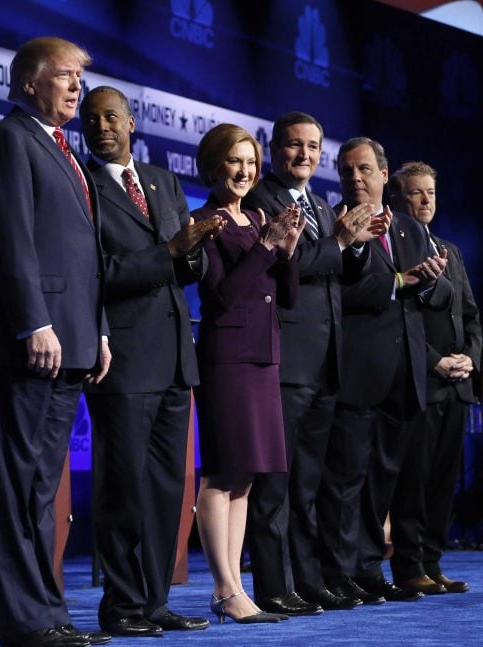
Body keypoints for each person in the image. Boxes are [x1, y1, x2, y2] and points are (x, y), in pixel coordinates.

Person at [0, 37, 112, 647]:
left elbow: (85, 256)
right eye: (66, 76)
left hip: (71, 339)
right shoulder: (7, 141)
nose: (77, 87)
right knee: (18, 487)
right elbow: (7, 239)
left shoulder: (64, 152)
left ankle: (49, 616)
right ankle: (26, 624)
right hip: (24, 341)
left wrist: (97, 329)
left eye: (80, 78)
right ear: (29, 83)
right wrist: (33, 321)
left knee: (42, 490)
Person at [80, 86, 224, 637]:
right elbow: (102, 272)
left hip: (173, 360)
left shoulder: (161, 181)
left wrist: (192, 250)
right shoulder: (82, 186)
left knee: (167, 489)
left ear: (132, 123)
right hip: (122, 359)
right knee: (123, 490)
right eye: (91, 118)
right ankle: (120, 604)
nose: (101, 125)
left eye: (111, 116)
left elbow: (182, 270)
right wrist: (169, 251)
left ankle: (155, 601)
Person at [242, 112, 382, 614]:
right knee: (275, 485)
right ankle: (273, 587)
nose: (304, 155)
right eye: (295, 145)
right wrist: (342, 242)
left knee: (307, 485)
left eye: (313, 146)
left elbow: (337, 270)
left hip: (326, 363)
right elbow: (290, 265)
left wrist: (358, 247)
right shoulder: (262, 200)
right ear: (275, 148)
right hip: (286, 360)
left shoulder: (323, 206)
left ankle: (307, 579)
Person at [316, 137, 451, 606]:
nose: (355, 178)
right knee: (346, 480)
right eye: (346, 170)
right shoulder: (330, 223)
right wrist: (399, 282)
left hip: (404, 372)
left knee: (382, 481)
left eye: (364, 169)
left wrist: (431, 282)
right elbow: (338, 297)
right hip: (356, 370)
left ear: (383, 173)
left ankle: (370, 569)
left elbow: (436, 298)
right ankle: (338, 571)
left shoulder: (411, 229)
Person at [191, 123, 302, 624]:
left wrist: (289, 251)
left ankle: (233, 585)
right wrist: (265, 248)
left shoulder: (259, 216)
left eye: (251, 163)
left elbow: (289, 296)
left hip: (264, 354)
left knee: (248, 477)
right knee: (223, 472)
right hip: (227, 358)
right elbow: (220, 298)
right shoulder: (205, 221)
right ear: (215, 165)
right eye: (235, 162)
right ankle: (224, 587)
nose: (244, 171)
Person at [388, 161, 482, 594]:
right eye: (416, 193)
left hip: (456, 385)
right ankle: (409, 567)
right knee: (415, 480)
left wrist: (469, 358)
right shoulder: (396, 246)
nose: (426, 201)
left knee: (444, 481)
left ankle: (433, 561)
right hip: (420, 381)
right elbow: (398, 321)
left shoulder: (451, 250)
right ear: (398, 198)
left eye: (431, 193)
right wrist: (434, 362)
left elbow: (471, 317)